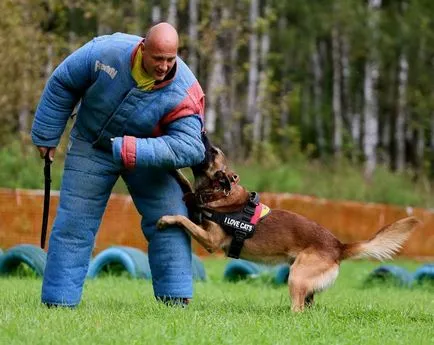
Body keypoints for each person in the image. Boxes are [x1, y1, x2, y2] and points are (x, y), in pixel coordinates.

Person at [31, 22, 206, 307]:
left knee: (171, 218)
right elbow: (64, 81)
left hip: (149, 156)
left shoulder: (184, 90)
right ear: (143, 48)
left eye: (170, 59)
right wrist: (47, 133)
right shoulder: (106, 52)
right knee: (74, 223)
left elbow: (190, 147)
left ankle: (175, 302)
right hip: (92, 144)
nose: (163, 66)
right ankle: (58, 303)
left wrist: (133, 148)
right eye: (157, 58)